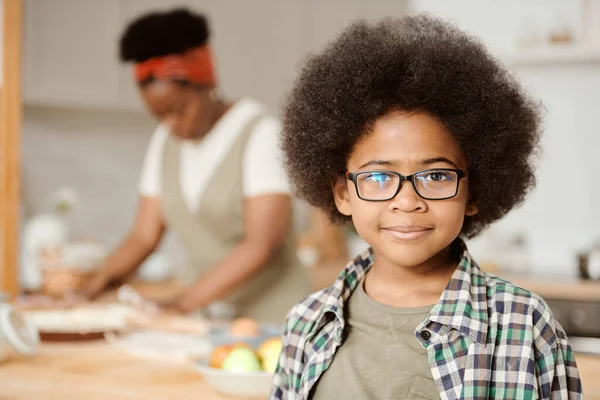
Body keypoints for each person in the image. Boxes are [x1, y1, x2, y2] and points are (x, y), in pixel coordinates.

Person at [271, 15, 582, 399]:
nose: (407, 202)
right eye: (379, 178)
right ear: (343, 193)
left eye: (435, 176)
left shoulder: (522, 325)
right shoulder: (306, 323)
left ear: (474, 191)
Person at [83, 8, 308, 322]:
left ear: (206, 82)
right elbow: (144, 235)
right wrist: (94, 284)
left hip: (270, 320)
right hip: (206, 319)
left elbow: (262, 244)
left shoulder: (259, 133)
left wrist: (180, 304)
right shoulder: (164, 142)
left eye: (178, 109)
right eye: (159, 115)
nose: (171, 124)